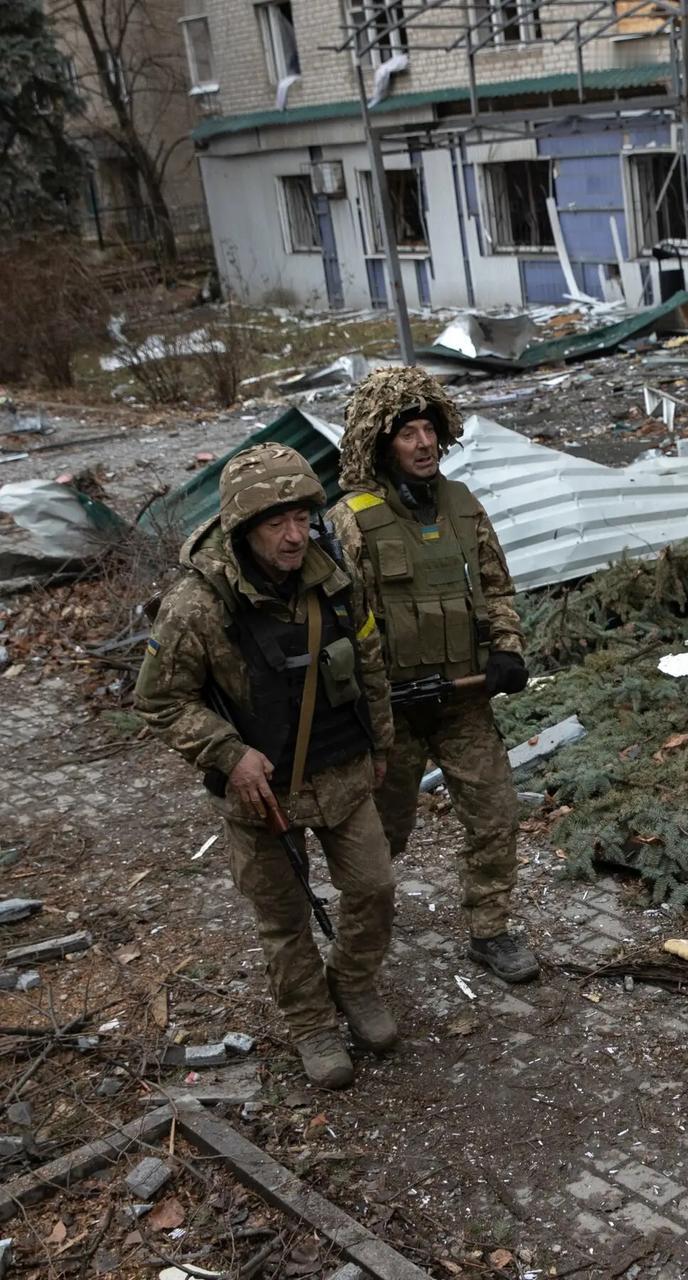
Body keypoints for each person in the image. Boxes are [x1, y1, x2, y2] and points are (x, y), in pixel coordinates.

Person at [136, 444, 399, 1089]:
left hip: (342, 770)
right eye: (275, 523)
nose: (293, 535)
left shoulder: (332, 574)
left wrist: (383, 746)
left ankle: (353, 984)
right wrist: (228, 754)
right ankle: (311, 1023)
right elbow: (159, 700)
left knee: (374, 888)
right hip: (262, 793)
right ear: (242, 526)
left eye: (303, 518)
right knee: (283, 921)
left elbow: (368, 662)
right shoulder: (196, 605)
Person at [328, 367, 538, 984]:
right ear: (380, 443)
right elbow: (346, 622)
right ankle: (359, 949)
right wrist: (365, 706)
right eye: (407, 433)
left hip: (463, 701)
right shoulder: (353, 520)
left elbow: (497, 588)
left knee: (496, 814)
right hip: (392, 708)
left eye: (429, 430)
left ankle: (490, 930)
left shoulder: (461, 505)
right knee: (382, 837)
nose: (422, 444)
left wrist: (507, 649)